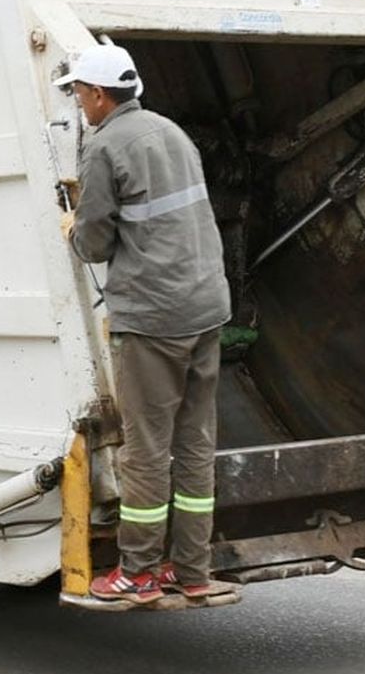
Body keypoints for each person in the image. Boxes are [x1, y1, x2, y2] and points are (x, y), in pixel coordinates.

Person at [52, 44, 231, 605]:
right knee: (196, 444)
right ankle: (194, 570)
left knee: (147, 449)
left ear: (101, 95)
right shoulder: (171, 132)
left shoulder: (105, 146)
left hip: (155, 317)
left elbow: (96, 241)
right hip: (207, 307)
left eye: (80, 92)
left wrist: (73, 228)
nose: (79, 102)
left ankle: (138, 572)